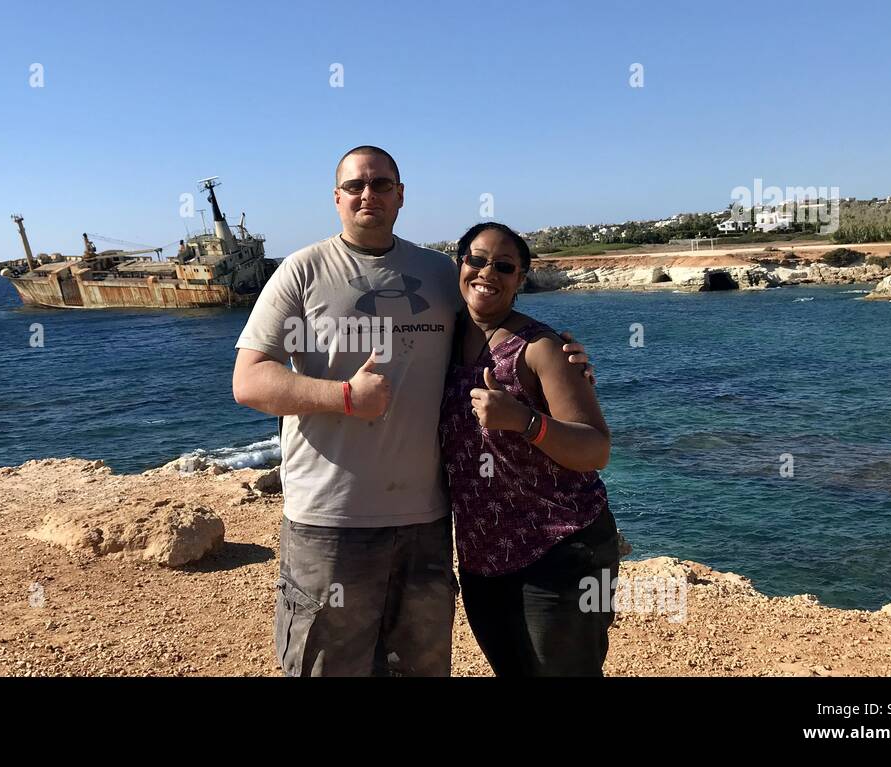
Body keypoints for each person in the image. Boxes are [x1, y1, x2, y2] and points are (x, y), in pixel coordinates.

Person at [232, 146, 594, 676]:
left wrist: (565, 364)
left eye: (381, 184)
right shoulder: (301, 271)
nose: (367, 194)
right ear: (337, 198)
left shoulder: (437, 273)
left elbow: (493, 326)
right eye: (355, 186)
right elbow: (249, 380)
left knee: (421, 667)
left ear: (400, 196)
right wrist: (345, 397)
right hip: (331, 518)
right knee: (327, 665)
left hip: (426, 519)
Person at [439, 221, 618, 677]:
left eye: (504, 266)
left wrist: (524, 420)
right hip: (482, 555)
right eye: (476, 260)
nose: (487, 273)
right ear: (459, 265)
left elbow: (596, 449)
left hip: (560, 546)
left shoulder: (541, 348)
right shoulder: (440, 339)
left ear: (521, 279)